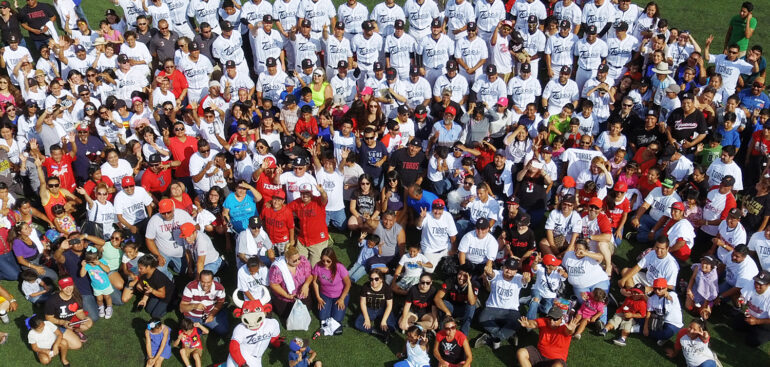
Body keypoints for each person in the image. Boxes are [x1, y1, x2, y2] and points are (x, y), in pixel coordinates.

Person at [475, 258, 531, 350]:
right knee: (482, 318)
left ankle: (491, 338)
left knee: (517, 322)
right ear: (503, 267)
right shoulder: (497, 274)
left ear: (516, 271)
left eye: (512, 269)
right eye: (507, 268)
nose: (509, 271)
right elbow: (491, 274)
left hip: (511, 311)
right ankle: (508, 335)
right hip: (492, 308)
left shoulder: (518, 278)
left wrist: (527, 279)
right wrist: (488, 272)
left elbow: (524, 280)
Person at [311, 247, 351, 333]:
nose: (325, 263)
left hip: (340, 295)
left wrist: (342, 299)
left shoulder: (340, 267)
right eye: (323, 260)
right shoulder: (318, 266)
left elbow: (348, 284)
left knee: (337, 319)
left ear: (333, 259)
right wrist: (318, 297)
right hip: (325, 294)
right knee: (322, 317)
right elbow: (315, 282)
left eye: (328, 261)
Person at [268, 245, 313, 321]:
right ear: (287, 259)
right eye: (294, 261)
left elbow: (310, 276)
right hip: (286, 297)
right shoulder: (277, 268)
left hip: (301, 293)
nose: (298, 261)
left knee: (305, 310)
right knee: (286, 315)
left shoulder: (303, 261)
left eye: (298, 258)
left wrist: (306, 285)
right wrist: (287, 295)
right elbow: (274, 285)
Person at [179, 270, 228, 336]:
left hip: (210, 313)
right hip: (193, 316)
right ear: (199, 279)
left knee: (223, 331)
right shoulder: (190, 287)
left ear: (213, 280)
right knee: (191, 336)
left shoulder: (219, 288)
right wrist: (194, 306)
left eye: (208, 282)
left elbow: (220, 302)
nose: (205, 285)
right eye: (203, 282)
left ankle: (221, 314)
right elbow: (182, 308)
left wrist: (212, 315)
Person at [44, 277, 92, 344]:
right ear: (60, 288)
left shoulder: (76, 295)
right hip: (58, 323)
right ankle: (55, 338)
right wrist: (62, 322)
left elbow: (79, 312)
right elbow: (48, 318)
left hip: (71, 320)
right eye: (65, 287)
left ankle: (75, 331)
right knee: (77, 345)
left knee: (88, 323)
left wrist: (84, 318)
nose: (69, 289)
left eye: (70, 285)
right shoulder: (52, 300)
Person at [434, 264, 478, 337]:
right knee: (442, 303)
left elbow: (472, 302)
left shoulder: (474, 285)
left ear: (470, 277)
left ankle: (463, 334)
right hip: (451, 307)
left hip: (464, 310)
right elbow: (437, 298)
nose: (461, 277)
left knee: (471, 307)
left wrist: (469, 284)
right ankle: (442, 330)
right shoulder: (450, 281)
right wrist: (447, 312)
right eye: (460, 274)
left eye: (465, 276)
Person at [354, 268, 396, 341]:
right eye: (371, 279)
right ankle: (377, 332)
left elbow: (389, 305)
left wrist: (384, 321)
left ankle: (384, 330)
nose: (373, 281)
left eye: (376, 279)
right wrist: (367, 319)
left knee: (392, 327)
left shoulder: (386, 288)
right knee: (358, 324)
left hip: (382, 309)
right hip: (369, 309)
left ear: (381, 279)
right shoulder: (365, 286)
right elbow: (362, 303)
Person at [135, 254, 175, 318]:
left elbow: (162, 295)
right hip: (156, 291)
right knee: (148, 310)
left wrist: (152, 291)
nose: (139, 270)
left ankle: (173, 303)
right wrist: (144, 300)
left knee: (155, 315)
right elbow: (148, 288)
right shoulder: (144, 274)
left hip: (167, 295)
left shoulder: (158, 277)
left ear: (148, 267)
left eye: (141, 268)